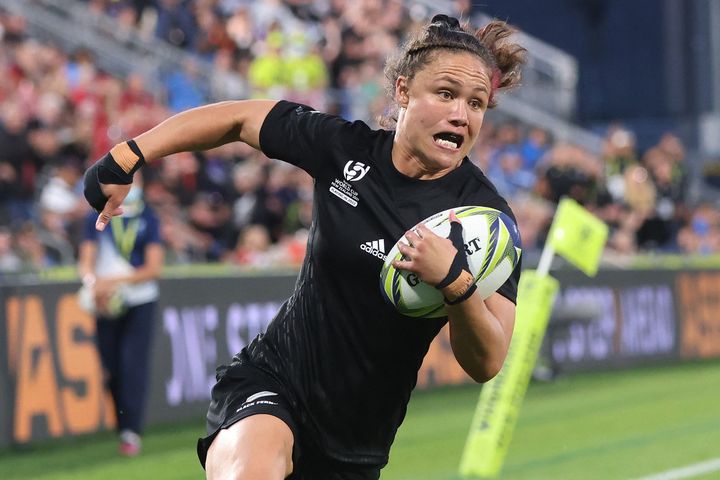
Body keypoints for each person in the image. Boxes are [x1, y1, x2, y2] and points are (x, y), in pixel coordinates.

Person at [82, 14, 526, 479]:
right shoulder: (344, 151)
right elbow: (239, 119)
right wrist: (131, 154)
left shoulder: (487, 224)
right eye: (446, 93)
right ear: (402, 92)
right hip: (274, 380)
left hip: (356, 444)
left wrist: (456, 282)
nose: (462, 113)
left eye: (476, 103)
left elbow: (487, 362)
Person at [77, 176, 164, 457]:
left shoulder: (148, 216)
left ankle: (131, 431)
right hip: (105, 302)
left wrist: (115, 282)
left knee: (132, 365)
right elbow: (86, 259)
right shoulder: (98, 214)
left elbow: (153, 269)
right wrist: (93, 285)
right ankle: (122, 425)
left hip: (139, 300)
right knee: (111, 369)